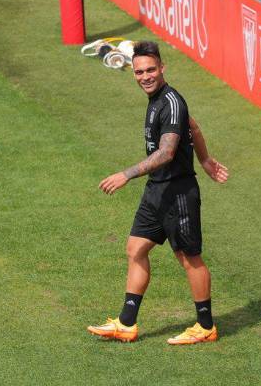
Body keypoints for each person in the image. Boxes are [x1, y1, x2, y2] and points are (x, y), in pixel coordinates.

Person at [87, 40, 228, 344]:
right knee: (135, 249)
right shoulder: (156, 99)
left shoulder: (172, 101)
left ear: (163, 68)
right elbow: (194, 127)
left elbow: (166, 153)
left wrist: (126, 174)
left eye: (151, 70)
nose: (145, 76)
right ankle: (126, 324)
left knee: (189, 258)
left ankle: (205, 327)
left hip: (177, 192)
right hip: (157, 190)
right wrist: (204, 158)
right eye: (139, 72)